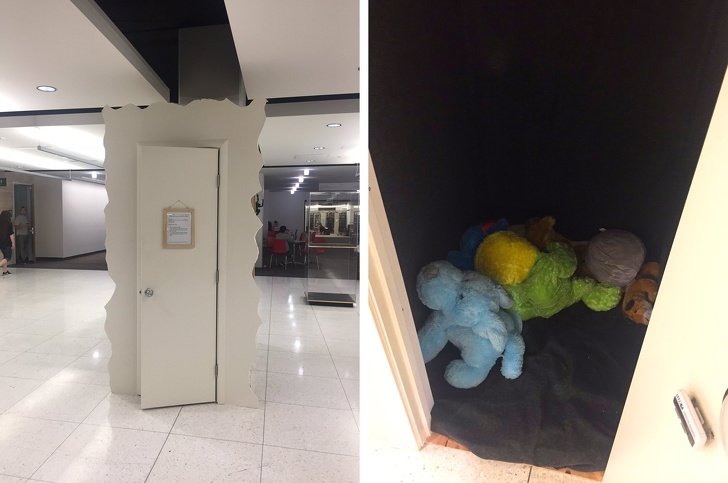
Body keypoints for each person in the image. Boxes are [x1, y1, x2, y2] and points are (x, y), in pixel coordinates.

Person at [0, 210, 15, 276]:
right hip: (6, 242)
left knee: (5, 256)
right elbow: (11, 234)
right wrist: (13, 242)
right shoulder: (9, 223)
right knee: (8, 257)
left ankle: (5, 271)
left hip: (0, 242)